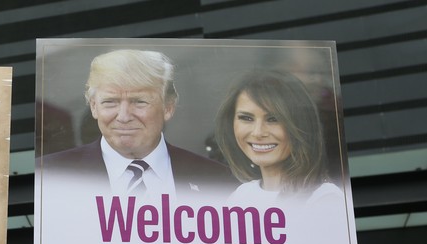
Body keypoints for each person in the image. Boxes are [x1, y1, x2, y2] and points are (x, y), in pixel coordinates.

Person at [39, 49, 237, 199]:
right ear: (93, 107)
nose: (124, 116)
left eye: (139, 101)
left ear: (168, 107)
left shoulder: (218, 180)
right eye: (110, 102)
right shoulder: (49, 176)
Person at [215, 69, 342, 204]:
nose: (258, 132)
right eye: (246, 118)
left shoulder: (325, 199)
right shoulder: (241, 195)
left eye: (273, 119)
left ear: (301, 125)